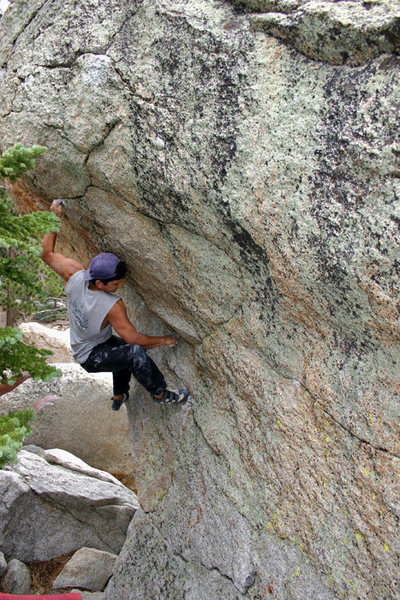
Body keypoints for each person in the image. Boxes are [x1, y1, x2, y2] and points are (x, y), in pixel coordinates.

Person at [40, 199, 190, 411]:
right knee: (133, 353)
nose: (120, 286)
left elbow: (46, 253)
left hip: (86, 342)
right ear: (99, 282)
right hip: (90, 356)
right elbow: (134, 340)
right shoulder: (112, 306)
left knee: (121, 351)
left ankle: (119, 395)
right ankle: (160, 393)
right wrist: (165, 340)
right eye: (116, 283)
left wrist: (54, 214)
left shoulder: (74, 274)